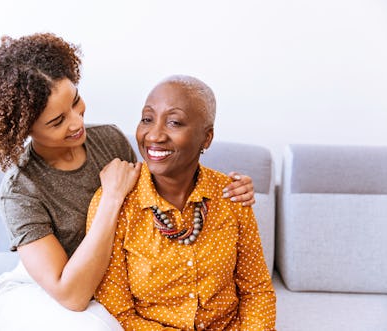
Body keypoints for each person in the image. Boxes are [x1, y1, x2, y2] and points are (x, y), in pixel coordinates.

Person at [0, 33, 257, 331]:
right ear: (23, 130)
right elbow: (70, 294)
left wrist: (229, 188)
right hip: (50, 290)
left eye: (75, 101)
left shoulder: (108, 140)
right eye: (57, 121)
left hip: (106, 286)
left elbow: (162, 187)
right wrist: (110, 199)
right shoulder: (20, 192)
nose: (76, 122)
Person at [87, 75, 276, 330]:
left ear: (206, 138)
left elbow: (257, 291)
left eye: (174, 122)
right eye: (147, 119)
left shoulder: (231, 196)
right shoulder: (116, 201)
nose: (154, 135)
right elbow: (118, 311)